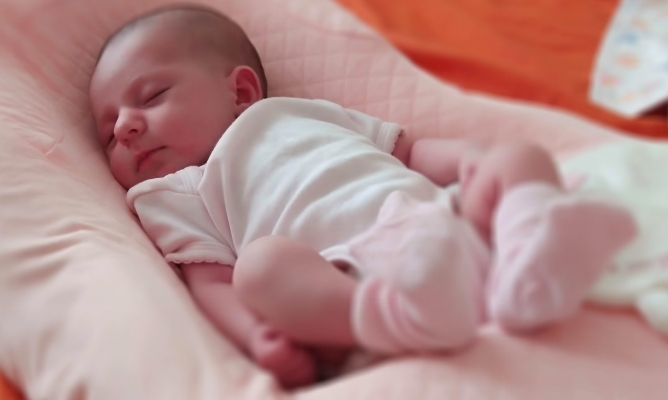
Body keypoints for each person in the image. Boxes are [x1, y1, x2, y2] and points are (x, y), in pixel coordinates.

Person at [89, 5, 636, 388]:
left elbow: (410, 154)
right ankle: (399, 316)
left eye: (152, 96)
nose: (127, 127)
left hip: (440, 227)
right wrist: (259, 338)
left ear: (241, 91)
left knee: (518, 156)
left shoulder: (299, 112)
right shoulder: (170, 192)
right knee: (260, 267)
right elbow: (213, 284)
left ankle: (529, 260)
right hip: (345, 277)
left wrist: (473, 164)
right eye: (109, 133)